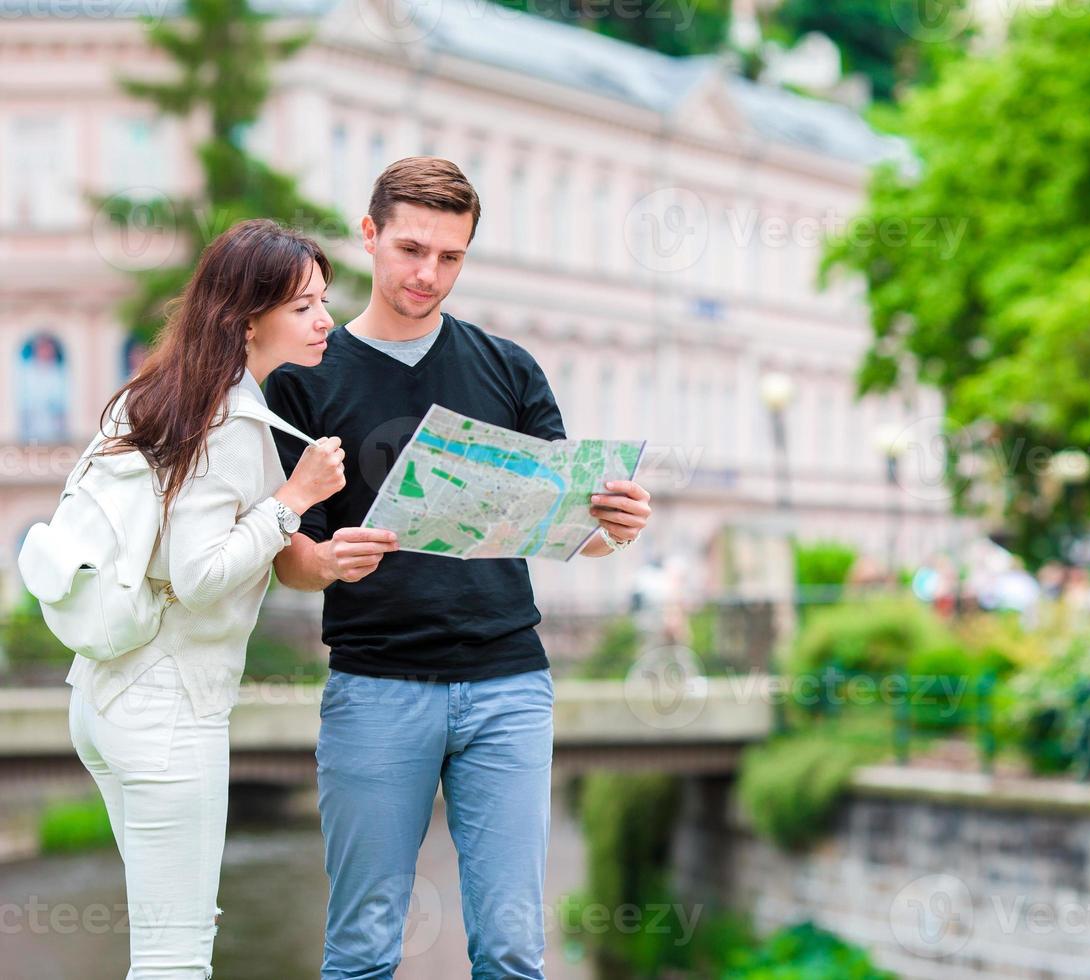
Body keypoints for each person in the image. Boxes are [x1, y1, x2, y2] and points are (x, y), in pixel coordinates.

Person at [265, 157, 654, 980]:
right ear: (368, 236)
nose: (427, 274)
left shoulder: (508, 369)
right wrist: (329, 561)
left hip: (508, 682)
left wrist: (614, 528)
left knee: (513, 951)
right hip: (376, 686)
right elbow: (286, 559)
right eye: (411, 249)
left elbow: (564, 528)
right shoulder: (304, 378)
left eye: (451, 257)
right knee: (363, 949)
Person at [67, 219, 347, 978]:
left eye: (324, 301)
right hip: (169, 708)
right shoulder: (224, 417)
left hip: (104, 692)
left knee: (168, 939)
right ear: (246, 316)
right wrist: (295, 497)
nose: (326, 320)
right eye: (304, 307)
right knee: (174, 957)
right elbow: (198, 572)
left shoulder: (154, 395)